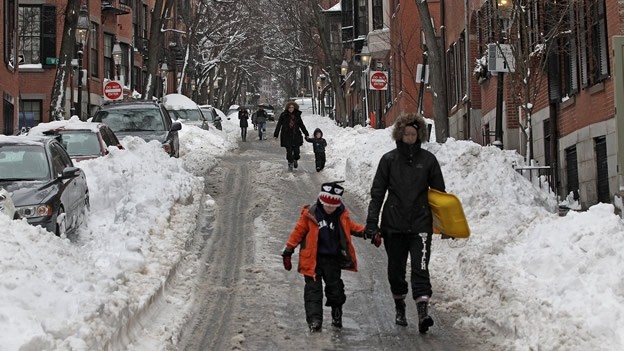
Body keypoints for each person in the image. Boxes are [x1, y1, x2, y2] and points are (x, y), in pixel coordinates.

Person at [364, 112, 445, 334]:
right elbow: (377, 193)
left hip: (420, 225)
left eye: (414, 133)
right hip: (394, 225)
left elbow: (440, 195)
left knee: (420, 267)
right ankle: (400, 306)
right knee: (395, 271)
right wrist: (372, 222)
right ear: (400, 134)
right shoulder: (388, 160)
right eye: (407, 133)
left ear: (419, 135)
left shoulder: (428, 161)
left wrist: (446, 223)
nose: (410, 137)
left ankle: (422, 313)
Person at [282, 181, 366, 332]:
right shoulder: (310, 214)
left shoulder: (341, 214)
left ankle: (336, 312)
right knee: (313, 292)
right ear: (321, 201)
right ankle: (315, 320)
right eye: (327, 206)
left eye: (333, 207)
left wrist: (367, 232)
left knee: (336, 289)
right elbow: (298, 232)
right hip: (312, 259)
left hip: (332, 259)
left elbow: (352, 227)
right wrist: (289, 249)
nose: (330, 209)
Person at [274, 101, 309, 171]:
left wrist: (306, 133)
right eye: (289, 107)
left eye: (292, 107)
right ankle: (290, 162)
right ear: (287, 108)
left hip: (296, 135)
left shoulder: (297, 115)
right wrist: (276, 134)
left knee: (296, 151)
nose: (291, 109)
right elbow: (279, 124)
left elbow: (301, 125)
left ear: (294, 108)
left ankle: (295, 159)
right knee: (289, 151)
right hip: (286, 136)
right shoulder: (283, 115)